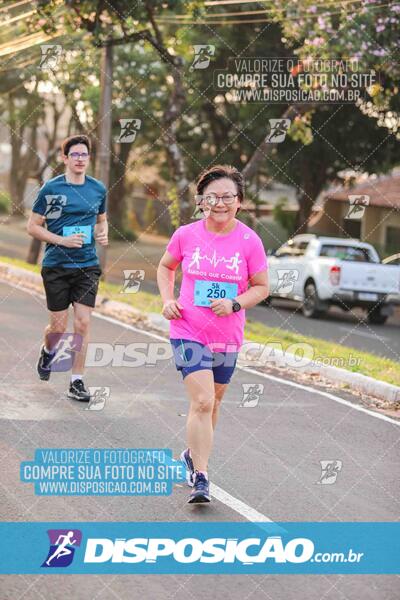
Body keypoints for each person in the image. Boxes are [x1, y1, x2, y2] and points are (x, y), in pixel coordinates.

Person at [157, 165, 269, 503]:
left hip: (227, 334)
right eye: (212, 197)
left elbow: (261, 287)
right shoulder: (185, 234)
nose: (219, 203)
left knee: (214, 401)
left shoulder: (250, 241)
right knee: (202, 400)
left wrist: (235, 303)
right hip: (187, 328)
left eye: (227, 197)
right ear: (201, 201)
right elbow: (165, 266)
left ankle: (192, 455)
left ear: (239, 202)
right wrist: (167, 300)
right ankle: (201, 477)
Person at [27, 134, 108, 402]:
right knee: (58, 329)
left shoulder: (97, 189)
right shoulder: (52, 189)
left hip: (87, 265)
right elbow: (33, 226)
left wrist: (102, 234)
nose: (80, 159)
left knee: (83, 323)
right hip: (57, 266)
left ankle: (77, 381)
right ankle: (48, 350)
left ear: (89, 158)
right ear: (65, 158)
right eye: (75, 154)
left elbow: (101, 220)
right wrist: (62, 240)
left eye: (84, 154)